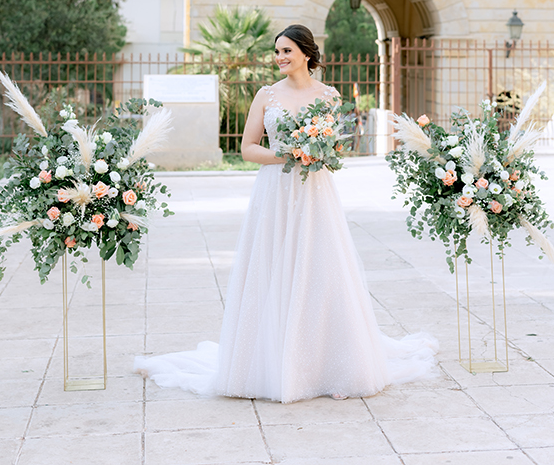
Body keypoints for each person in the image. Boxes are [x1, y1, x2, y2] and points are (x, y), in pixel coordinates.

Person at [134, 24, 438, 403]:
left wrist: (317, 150)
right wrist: (287, 154)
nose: (279, 57)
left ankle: (330, 365)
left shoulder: (329, 97)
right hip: (275, 191)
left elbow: (335, 148)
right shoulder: (266, 95)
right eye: (277, 51)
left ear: (306, 54)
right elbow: (247, 148)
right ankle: (271, 361)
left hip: (315, 192)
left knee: (320, 268)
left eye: (287, 51)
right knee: (274, 266)